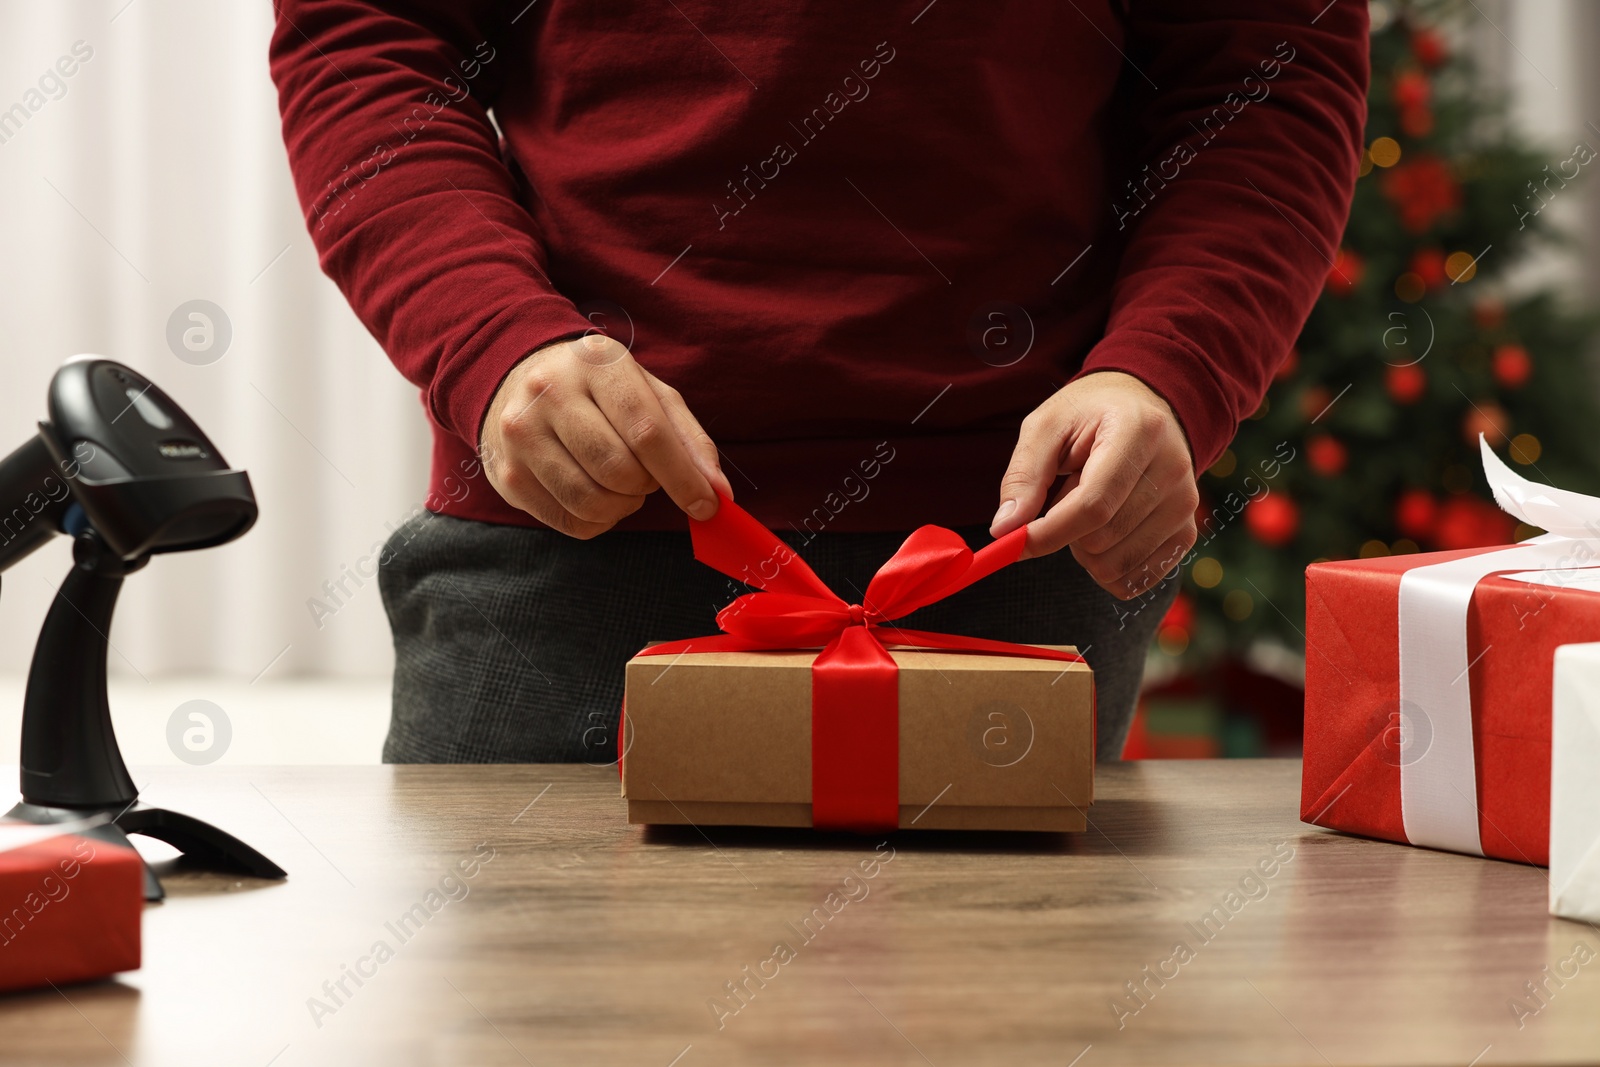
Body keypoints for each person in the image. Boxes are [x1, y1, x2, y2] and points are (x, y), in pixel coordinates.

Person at [270, 2, 1367, 764]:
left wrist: (1167, 369)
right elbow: (369, 40)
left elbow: (1265, 69)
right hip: (566, 532)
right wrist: (495, 340)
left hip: (1019, 546)